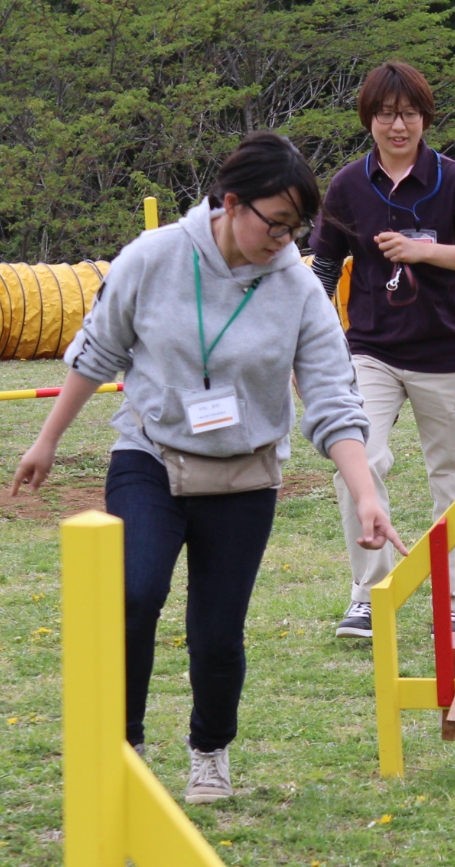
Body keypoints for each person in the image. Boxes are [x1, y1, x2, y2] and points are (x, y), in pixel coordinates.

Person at [10, 132, 408, 805]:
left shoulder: (296, 288)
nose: (284, 241)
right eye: (274, 224)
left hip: (244, 473)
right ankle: (123, 749)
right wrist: (46, 441)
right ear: (231, 204)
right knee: (132, 596)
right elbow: (97, 350)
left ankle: (209, 751)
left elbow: (333, 399)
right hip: (150, 454)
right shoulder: (155, 256)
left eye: (295, 229)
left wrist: (365, 490)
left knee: (216, 633)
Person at [309, 60, 455, 638]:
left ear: (424, 117)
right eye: (385, 115)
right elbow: (322, 270)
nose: (398, 126)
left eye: (409, 114)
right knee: (359, 461)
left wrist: (429, 252)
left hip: (449, 353)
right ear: (368, 119)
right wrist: (319, 340)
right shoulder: (348, 184)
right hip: (370, 350)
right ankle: (371, 595)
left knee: (452, 476)